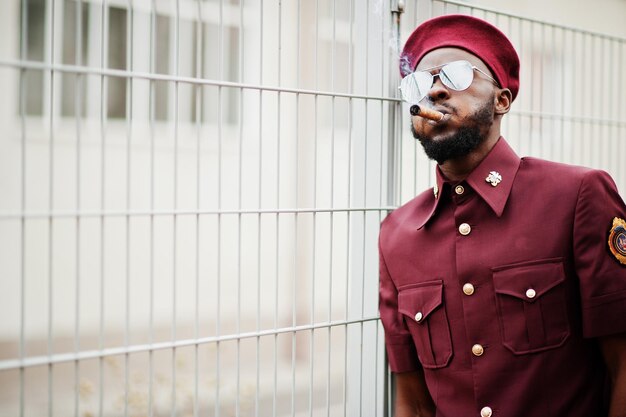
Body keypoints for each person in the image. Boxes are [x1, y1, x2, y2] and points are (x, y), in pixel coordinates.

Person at [378, 14, 626, 417]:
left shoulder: (577, 196)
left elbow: (622, 363)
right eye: (421, 83)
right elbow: (413, 398)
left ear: (502, 100)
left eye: (457, 75)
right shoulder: (396, 235)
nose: (436, 91)